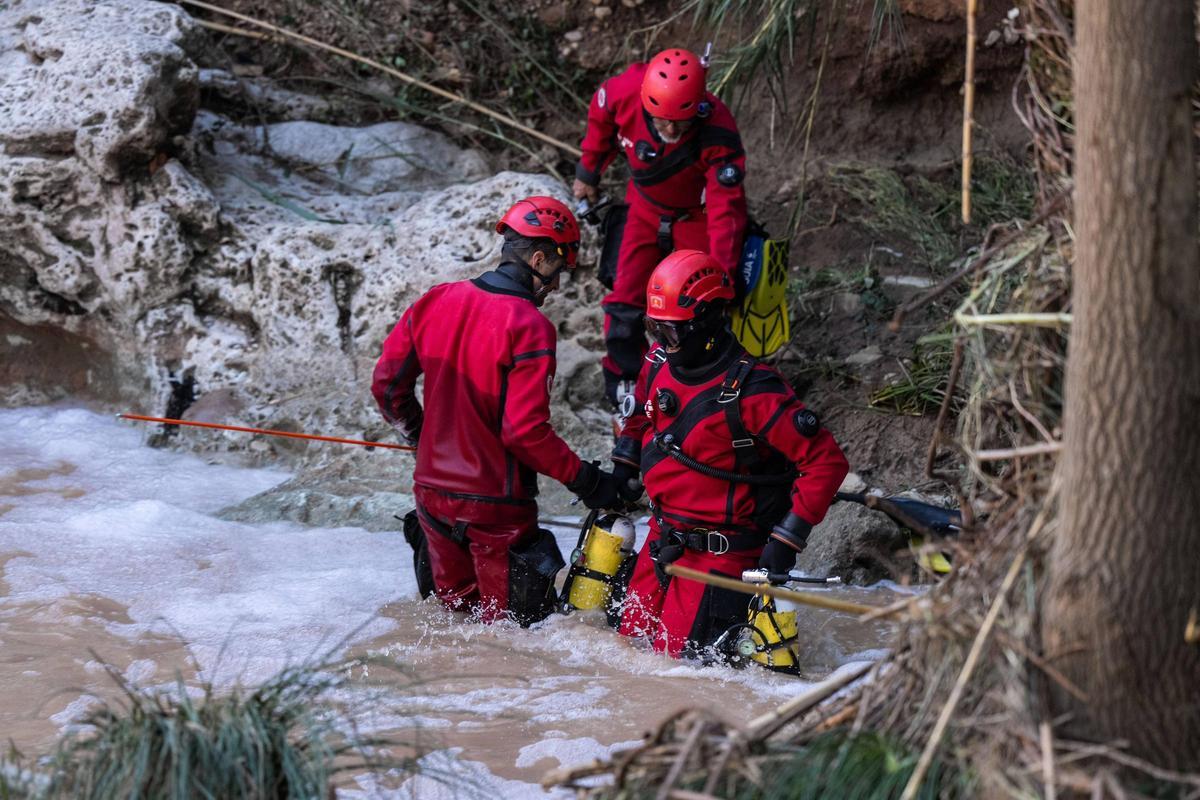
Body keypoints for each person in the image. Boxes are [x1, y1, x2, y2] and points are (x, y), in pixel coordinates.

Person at [371, 196, 625, 626]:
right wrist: (587, 480)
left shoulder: (436, 300)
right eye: (558, 272)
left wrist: (422, 439)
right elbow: (524, 433)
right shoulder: (529, 326)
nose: (557, 286)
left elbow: (386, 387)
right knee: (511, 637)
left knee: (455, 627)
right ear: (540, 258)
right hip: (496, 508)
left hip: (431, 496)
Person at [612, 250, 849, 658]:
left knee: (676, 672)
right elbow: (639, 422)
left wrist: (787, 539)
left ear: (707, 321)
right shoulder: (656, 363)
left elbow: (826, 462)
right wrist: (623, 466)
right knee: (625, 653)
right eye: (654, 330)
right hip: (660, 541)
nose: (662, 344)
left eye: (670, 333)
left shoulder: (756, 392)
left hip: (719, 557)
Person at [573, 47, 749, 414]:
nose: (669, 129)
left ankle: (699, 381)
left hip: (694, 217)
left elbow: (725, 210)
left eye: (679, 122)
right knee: (625, 294)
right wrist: (589, 170)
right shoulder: (623, 93)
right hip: (643, 207)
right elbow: (600, 116)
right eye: (661, 120)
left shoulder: (718, 132)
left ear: (699, 107)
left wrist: (722, 275)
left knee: (697, 304)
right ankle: (624, 377)